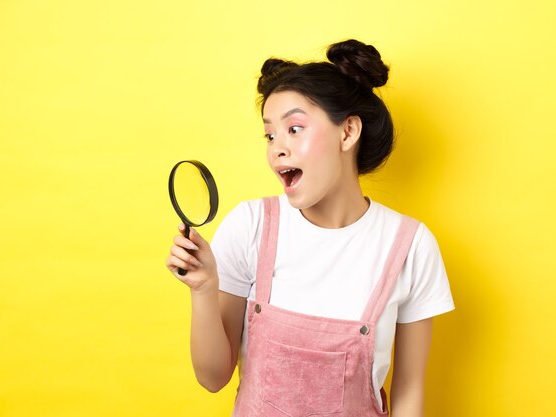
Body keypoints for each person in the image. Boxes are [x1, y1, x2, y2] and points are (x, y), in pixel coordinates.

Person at [165, 39, 455, 417]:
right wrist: (203, 289)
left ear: (348, 132)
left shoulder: (410, 245)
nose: (277, 149)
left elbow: (409, 393)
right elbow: (213, 377)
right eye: (270, 135)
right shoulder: (251, 226)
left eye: (295, 128)